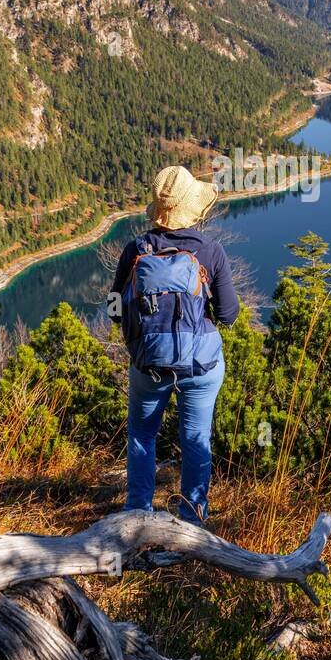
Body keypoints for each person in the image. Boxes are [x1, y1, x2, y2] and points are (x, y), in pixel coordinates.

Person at [110, 165, 239, 524]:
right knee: (196, 438)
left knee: (142, 435)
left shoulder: (135, 250)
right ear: (194, 208)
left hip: (149, 363)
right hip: (200, 365)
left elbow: (114, 308)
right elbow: (228, 314)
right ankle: (192, 520)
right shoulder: (211, 251)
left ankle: (137, 514)